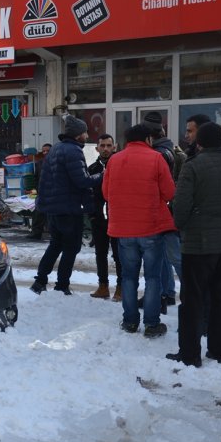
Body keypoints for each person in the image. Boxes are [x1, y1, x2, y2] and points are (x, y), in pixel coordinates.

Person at [165, 122, 221, 367]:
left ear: (200, 143)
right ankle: (219, 350)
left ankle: (190, 353)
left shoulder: (193, 167)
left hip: (197, 244)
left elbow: (181, 206)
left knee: (193, 299)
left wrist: (181, 225)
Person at [102, 124, 175, 338]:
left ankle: (130, 321)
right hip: (150, 227)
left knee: (128, 277)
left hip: (123, 228)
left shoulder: (114, 160)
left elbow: (106, 193)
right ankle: (152, 324)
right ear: (148, 140)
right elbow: (169, 192)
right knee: (153, 277)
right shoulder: (156, 158)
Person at [30, 115, 102, 295]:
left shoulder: (56, 149)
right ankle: (62, 285)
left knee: (55, 244)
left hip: (53, 209)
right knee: (71, 248)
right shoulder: (73, 151)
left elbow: (45, 180)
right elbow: (82, 181)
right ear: (78, 135)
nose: (87, 135)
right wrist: (102, 176)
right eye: (85, 132)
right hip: (68, 209)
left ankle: (40, 281)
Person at [142, 112, 181, 312]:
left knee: (174, 256)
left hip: (165, 211)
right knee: (165, 256)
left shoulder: (160, 154)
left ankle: (191, 294)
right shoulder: (166, 149)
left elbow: (164, 187)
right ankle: (167, 293)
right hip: (165, 210)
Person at [87, 134, 122, 301]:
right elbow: (88, 192)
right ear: (97, 148)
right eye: (103, 145)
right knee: (100, 253)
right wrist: (92, 214)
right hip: (99, 217)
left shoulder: (121, 164)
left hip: (118, 217)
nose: (106, 148)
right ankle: (103, 286)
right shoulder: (92, 168)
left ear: (114, 147)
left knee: (118, 254)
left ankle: (121, 287)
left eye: (109, 145)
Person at [27, 143, 52, 240]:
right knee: (38, 213)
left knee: (51, 214)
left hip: (52, 192)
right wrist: (35, 189)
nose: (45, 153)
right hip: (41, 191)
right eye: (44, 151)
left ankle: (52, 233)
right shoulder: (39, 163)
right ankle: (36, 233)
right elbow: (36, 177)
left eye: (47, 151)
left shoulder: (56, 162)